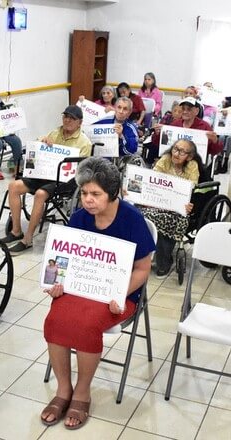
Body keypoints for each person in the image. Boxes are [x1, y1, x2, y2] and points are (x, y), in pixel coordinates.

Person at [40, 157, 154, 429]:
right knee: (55, 320)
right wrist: (54, 282)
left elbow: (142, 269)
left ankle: (82, 392)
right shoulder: (80, 218)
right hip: (81, 289)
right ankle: (63, 389)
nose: (88, 200)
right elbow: (61, 259)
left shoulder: (132, 220)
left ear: (112, 193)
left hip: (120, 294)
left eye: (96, 194)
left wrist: (119, 292)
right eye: (85, 193)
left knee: (86, 325)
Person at [5, 105, 93, 253]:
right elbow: (38, 144)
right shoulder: (55, 132)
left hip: (65, 180)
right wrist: (42, 141)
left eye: (72, 118)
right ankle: (16, 231)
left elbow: (82, 170)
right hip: (45, 173)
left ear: (80, 122)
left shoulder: (85, 142)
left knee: (40, 194)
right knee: (14, 186)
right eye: (65, 116)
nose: (67, 120)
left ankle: (27, 239)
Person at [139, 139, 201, 277]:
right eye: (175, 149)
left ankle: (164, 261)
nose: (176, 154)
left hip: (179, 208)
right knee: (138, 214)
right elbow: (153, 177)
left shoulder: (192, 166)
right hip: (158, 204)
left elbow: (191, 187)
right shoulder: (165, 159)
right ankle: (142, 257)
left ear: (189, 156)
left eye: (182, 152)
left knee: (161, 218)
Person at [151, 97, 223, 159]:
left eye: (189, 109)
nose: (185, 112)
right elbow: (158, 143)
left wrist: (215, 141)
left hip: (194, 162)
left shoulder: (204, 126)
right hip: (174, 160)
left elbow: (214, 151)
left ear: (197, 111)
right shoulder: (175, 124)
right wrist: (158, 134)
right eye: (183, 109)